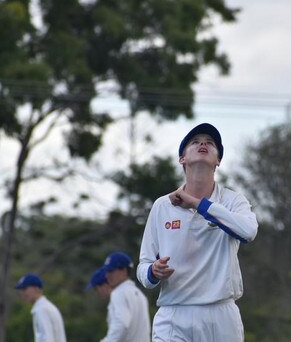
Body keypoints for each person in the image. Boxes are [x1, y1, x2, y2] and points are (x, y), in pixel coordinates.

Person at [137, 122, 259, 342]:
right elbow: (143, 267)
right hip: (173, 313)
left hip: (220, 315)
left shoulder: (233, 201)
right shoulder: (162, 206)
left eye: (210, 143)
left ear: (218, 160)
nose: (203, 144)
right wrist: (153, 272)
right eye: (195, 142)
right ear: (182, 158)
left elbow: (248, 232)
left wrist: (195, 203)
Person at [101, 251, 151, 342]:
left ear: (124, 271)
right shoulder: (140, 294)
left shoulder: (118, 293)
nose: (107, 275)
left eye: (111, 271)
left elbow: (121, 324)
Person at [15, 273, 67, 342]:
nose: (22, 293)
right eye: (21, 290)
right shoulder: (48, 306)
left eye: (25, 288)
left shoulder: (41, 310)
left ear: (36, 288)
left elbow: (47, 339)